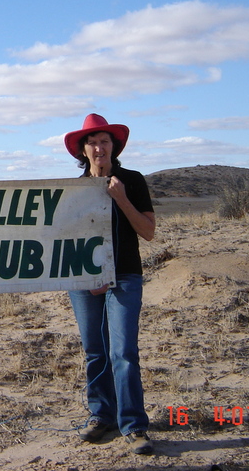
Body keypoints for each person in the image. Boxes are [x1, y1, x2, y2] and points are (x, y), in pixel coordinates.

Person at [63, 113, 156, 455]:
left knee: (124, 352)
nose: (98, 147)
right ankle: (102, 417)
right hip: (84, 279)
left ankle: (134, 425)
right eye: (92, 142)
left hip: (125, 277)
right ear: (83, 150)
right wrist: (89, 276)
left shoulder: (132, 180)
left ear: (114, 146)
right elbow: (62, 237)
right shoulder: (72, 189)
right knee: (95, 351)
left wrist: (121, 198)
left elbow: (147, 232)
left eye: (104, 141)